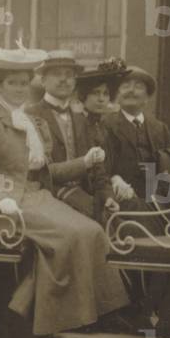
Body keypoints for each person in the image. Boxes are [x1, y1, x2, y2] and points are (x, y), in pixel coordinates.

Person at [0, 47, 129, 336]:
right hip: (1, 207)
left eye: (24, 83)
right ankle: (65, 319)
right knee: (68, 236)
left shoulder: (33, 123)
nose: (19, 89)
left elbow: (47, 173)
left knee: (91, 230)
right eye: (12, 83)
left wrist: (84, 162)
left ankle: (102, 310)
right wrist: (0, 199)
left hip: (37, 197)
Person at [25, 50, 108, 219]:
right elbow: (42, 172)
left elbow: (98, 169)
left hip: (83, 195)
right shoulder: (30, 117)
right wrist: (84, 163)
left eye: (69, 75)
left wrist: (108, 196)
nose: (64, 79)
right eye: (56, 74)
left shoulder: (81, 119)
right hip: (47, 197)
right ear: (43, 80)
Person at [101, 66, 170, 210]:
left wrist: (163, 203)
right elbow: (102, 170)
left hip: (158, 206)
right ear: (117, 94)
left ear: (147, 97)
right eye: (125, 86)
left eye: (138, 86)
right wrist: (115, 180)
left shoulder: (160, 129)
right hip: (120, 204)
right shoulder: (106, 124)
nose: (131, 90)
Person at [74, 57, 130, 220]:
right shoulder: (78, 124)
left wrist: (115, 178)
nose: (101, 99)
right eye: (95, 93)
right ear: (83, 96)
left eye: (105, 94)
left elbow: (108, 168)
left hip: (104, 191)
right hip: (83, 194)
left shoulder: (104, 127)